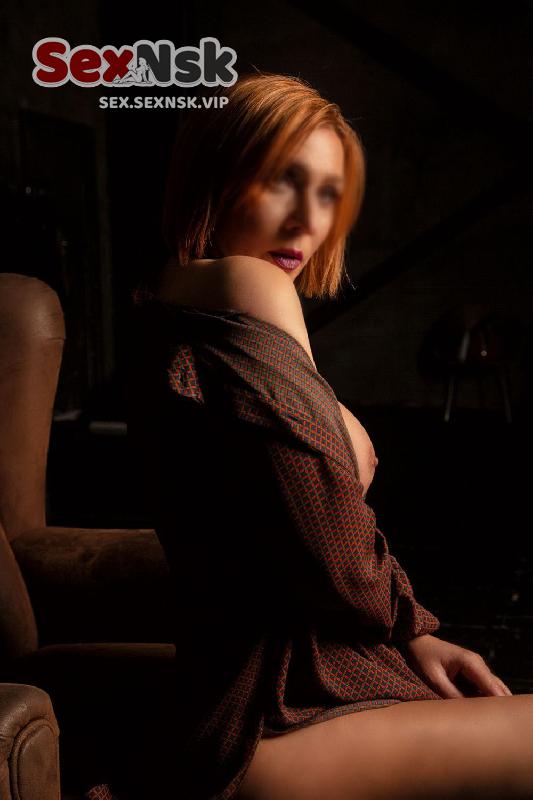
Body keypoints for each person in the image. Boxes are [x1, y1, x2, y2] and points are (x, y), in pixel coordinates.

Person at [129, 72, 533, 800]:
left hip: (242, 697)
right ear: (216, 176)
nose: (305, 221)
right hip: (270, 716)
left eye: (326, 194)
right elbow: (332, 539)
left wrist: (413, 635)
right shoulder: (250, 291)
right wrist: (404, 619)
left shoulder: (170, 304)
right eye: (282, 181)